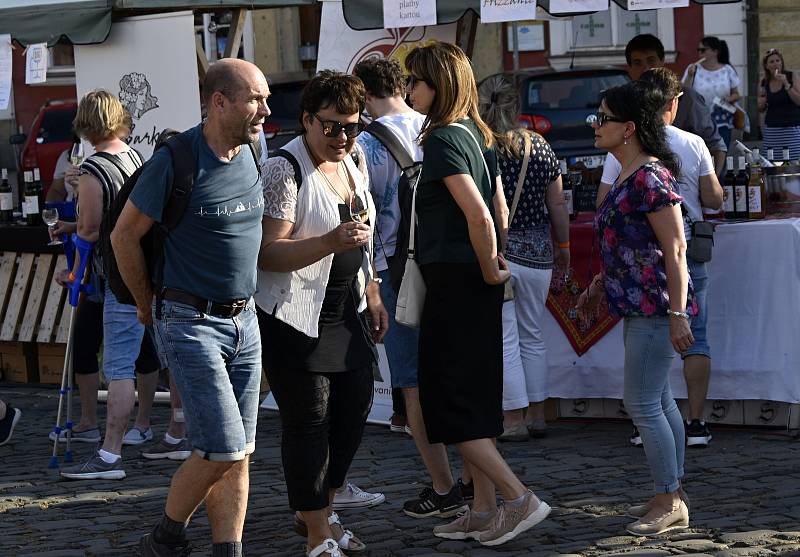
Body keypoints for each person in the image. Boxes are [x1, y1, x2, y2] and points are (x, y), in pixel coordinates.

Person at [113, 58, 270, 557]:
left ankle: (228, 549)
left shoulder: (255, 148)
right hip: (188, 321)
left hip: (245, 320)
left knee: (239, 452)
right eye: (255, 99)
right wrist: (145, 305)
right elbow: (123, 236)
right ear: (219, 101)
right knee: (223, 445)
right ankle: (165, 535)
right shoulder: (174, 160)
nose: (265, 109)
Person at [405, 42, 550, 546]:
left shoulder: (446, 137)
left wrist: (491, 267)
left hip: (457, 283)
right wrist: (493, 263)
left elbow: (481, 213)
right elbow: (497, 208)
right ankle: (485, 508)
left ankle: (517, 497)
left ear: (438, 85)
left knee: (450, 403)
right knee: (474, 399)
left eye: (416, 82)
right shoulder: (475, 132)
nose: (408, 91)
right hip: (469, 283)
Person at [257, 70, 387, 557]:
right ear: (307, 119)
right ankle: (316, 531)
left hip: (345, 308)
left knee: (355, 409)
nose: (344, 137)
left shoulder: (353, 159)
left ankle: (321, 508)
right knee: (309, 421)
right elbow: (268, 253)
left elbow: (366, 234)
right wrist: (328, 242)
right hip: (294, 313)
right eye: (331, 126)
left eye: (353, 126)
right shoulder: (283, 168)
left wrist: (372, 290)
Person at [579, 80, 697, 535]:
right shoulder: (630, 172)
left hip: (655, 305)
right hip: (638, 303)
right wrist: (597, 284)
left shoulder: (649, 176)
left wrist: (678, 312)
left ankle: (669, 498)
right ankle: (671, 493)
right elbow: (627, 244)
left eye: (603, 117)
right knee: (659, 399)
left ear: (628, 128)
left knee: (642, 402)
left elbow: (676, 248)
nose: (596, 123)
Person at [602, 68, 723, 448]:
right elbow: (715, 198)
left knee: (649, 355)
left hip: (653, 265)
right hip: (684, 253)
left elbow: (603, 201)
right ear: (672, 103)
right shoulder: (693, 143)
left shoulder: (630, 150)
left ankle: (647, 429)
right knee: (694, 341)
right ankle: (698, 422)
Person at [52, 90, 162, 481]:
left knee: (117, 366)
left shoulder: (92, 169)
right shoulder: (133, 157)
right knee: (144, 354)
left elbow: (90, 229)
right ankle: (160, 427)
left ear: (85, 123)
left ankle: (110, 455)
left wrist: (76, 271)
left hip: (115, 275)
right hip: (144, 270)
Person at [478, 74, 571, 442]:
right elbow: (557, 203)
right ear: (516, 106)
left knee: (505, 338)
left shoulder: (482, 146)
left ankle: (512, 419)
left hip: (499, 254)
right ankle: (537, 415)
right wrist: (563, 247)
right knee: (533, 334)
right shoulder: (540, 146)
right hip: (539, 255)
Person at [622, 34, 726, 174]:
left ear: (662, 62)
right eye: (638, 63)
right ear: (630, 68)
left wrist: (713, 180)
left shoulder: (688, 98)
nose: (646, 68)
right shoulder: (624, 101)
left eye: (651, 61)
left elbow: (716, 146)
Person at [682, 36, 740, 150]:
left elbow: (737, 94)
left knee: (722, 151)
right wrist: (689, 76)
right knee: (704, 153)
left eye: (703, 50)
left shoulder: (727, 70)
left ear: (715, 52)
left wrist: (729, 99)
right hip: (699, 120)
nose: (700, 53)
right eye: (698, 50)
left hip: (722, 118)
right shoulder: (694, 69)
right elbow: (685, 92)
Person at [758, 48, 800, 161]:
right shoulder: (764, 82)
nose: (775, 63)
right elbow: (761, 108)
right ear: (767, 66)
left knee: (794, 161)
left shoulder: (791, 76)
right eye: (771, 62)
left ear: (782, 62)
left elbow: (798, 101)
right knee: (773, 161)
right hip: (772, 130)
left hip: (792, 128)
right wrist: (761, 103)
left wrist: (786, 84)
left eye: (778, 60)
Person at [46, 134, 80, 202]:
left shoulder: (102, 158)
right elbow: (57, 191)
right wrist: (50, 210)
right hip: (71, 209)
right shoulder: (67, 156)